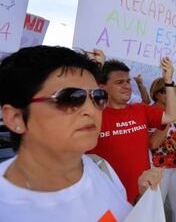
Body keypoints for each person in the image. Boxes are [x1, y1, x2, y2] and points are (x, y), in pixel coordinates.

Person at [0, 46, 162, 221]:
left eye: (98, 97)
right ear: (16, 118)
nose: (91, 110)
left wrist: (143, 198)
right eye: (70, 97)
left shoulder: (101, 167)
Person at [89, 57, 176, 203]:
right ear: (102, 87)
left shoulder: (140, 109)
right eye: (119, 82)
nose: (127, 86)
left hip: (142, 196)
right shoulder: (93, 116)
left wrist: (168, 80)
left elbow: (172, 115)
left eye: (128, 81)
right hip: (109, 200)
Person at [149, 78, 176, 222]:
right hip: (159, 168)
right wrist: (168, 119)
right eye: (165, 92)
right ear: (157, 94)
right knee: (155, 209)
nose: (171, 95)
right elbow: (153, 143)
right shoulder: (151, 112)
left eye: (173, 92)